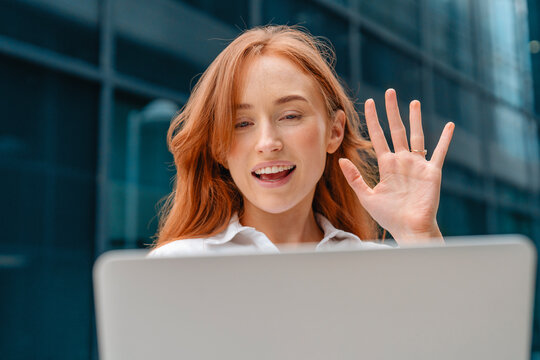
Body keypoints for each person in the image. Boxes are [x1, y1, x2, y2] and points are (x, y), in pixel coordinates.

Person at [148, 25, 454, 257]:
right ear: (218, 146)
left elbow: (454, 339)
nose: (268, 143)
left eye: (290, 116)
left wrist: (421, 237)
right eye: (242, 123)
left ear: (334, 132)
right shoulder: (177, 265)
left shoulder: (379, 266)